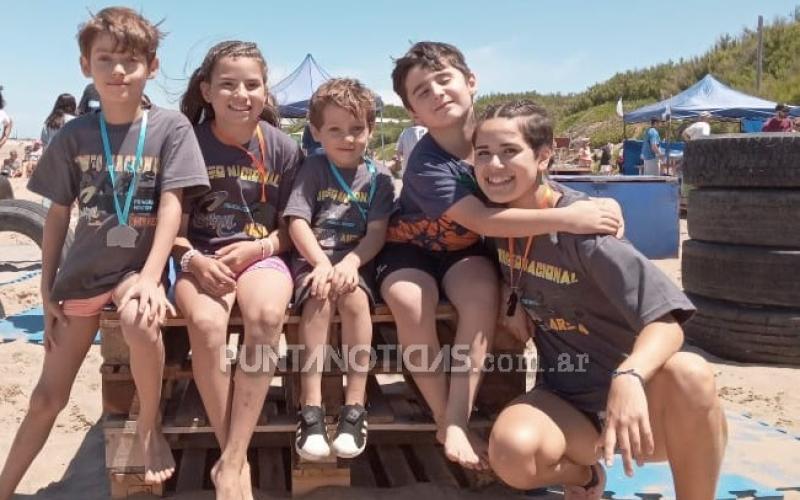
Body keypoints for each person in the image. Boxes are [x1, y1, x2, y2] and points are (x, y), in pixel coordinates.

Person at [377, 42, 623, 471]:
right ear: (413, 114)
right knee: (411, 301)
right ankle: (446, 419)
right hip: (410, 248)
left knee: (481, 297)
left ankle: (461, 412)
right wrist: (569, 218)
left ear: (471, 82)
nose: (436, 92)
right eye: (421, 91)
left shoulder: (497, 136)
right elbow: (485, 220)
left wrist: (589, 204)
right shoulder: (426, 163)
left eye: (444, 79)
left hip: (466, 252)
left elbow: (536, 185)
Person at [0, 8, 210, 497]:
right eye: (106, 59)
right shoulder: (74, 134)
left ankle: (149, 428)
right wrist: (46, 286)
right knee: (46, 398)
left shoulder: (169, 128)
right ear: (85, 65)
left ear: (152, 67)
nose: (118, 70)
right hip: (82, 276)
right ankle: (7, 486)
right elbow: (56, 215)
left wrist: (153, 274)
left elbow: (173, 205)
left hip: (136, 270)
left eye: (131, 61)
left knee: (140, 319)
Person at [472, 100, 727, 499]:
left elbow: (668, 320)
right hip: (568, 400)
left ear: (543, 157)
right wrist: (509, 293)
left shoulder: (586, 230)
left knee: (691, 373)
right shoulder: (496, 223)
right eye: (483, 154)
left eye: (509, 151)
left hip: (641, 408)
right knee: (510, 452)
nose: (494, 166)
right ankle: (586, 479)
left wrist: (629, 376)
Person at [175, 40, 302, 499]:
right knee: (207, 324)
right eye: (227, 84)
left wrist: (262, 246)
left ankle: (231, 459)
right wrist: (193, 259)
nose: (241, 94)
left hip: (264, 254)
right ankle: (235, 454)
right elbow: (169, 226)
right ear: (206, 90)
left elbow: (297, 227)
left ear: (266, 91)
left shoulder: (284, 149)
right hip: (198, 256)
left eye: (253, 84)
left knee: (266, 318)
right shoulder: (184, 141)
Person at [284, 78, 395, 462]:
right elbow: (297, 221)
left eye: (356, 129)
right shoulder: (313, 168)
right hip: (313, 258)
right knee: (318, 298)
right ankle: (310, 408)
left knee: (354, 300)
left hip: (355, 260)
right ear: (316, 132)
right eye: (335, 130)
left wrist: (350, 262)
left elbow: (377, 232)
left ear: (370, 129)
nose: (347, 139)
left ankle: (355, 407)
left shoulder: (379, 177)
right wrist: (319, 263)